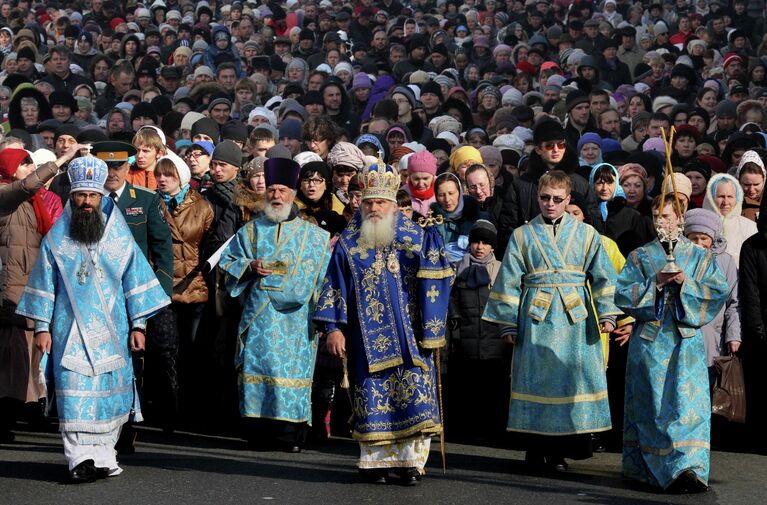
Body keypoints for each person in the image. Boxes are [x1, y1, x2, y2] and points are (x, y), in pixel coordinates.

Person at [16, 156, 170, 482]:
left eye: (93, 196)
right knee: (74, 397)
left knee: (109, 399)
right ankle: (78, 460)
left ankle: (103, 458)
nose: (87, 202)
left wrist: (139, 325)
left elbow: (136, 279)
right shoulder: (56, 240)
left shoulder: (119, 236)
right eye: (81, 196)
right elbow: (44, 284)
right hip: (68, 331)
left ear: (101, 197)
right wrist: (42, 327)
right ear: (72, 196)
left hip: (113, 331)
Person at [314, 159, 452, 485]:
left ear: (393, 204)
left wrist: (432, 329)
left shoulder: (418, 239)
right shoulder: (348, 243)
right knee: (372, 396)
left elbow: (437, 281)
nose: (375, 207)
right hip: (364, 340)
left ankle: (410, 464)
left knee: (413, 397)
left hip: (410, 338)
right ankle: (376, 464)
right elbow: (334, 285)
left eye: (381, 202)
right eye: (369, 202)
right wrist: (333, 328)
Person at [482, 170, 620, 472]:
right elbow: (507, 282)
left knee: (570, 382)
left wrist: (608, 312)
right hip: (536, 319)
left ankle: (561, 451)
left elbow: (605, 276)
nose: (551, 204)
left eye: (558, 199)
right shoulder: (522, 235)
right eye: (545, 198)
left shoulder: (587, 234)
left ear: (568, 199)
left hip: (576, 322)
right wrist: (507, 322)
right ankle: (535, 449)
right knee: (537, 383)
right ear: (538, 197)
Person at [616, 196, 729, 493]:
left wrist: (684, 284)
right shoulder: (640, 256)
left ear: (680, 219)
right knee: (652, 406)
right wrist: (654, 283)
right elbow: (622, 295)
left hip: (686, 342)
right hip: (650, 343)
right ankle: (653, 469)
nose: (661, 223)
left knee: (686, 406)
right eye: (656, 216)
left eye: (666, 216)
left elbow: (717, 292)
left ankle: (688, 468)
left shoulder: (701, 257)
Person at [219, 157, 331, 453]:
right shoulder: (251, 231)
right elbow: (227, 262)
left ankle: (289, 436)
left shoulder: (316, 237)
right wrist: (249, 265)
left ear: (294, 193)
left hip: (297, 321)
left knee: (291, 376)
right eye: (272, 190)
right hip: (260, 317)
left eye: (283, 190)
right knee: (259, 370)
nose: (276, 196)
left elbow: (323, 281)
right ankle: (258, 434)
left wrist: (325, 321)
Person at [447, 220, 507, 443]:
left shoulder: (502, 269)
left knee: (492, 390)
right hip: (466, 341)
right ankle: (466, 431)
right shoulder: (458, 267)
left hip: (494, 342)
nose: (480, 247)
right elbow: (450, 298)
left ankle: (493, 431)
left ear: (493, 246)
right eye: (475, 242)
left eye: (485, 243)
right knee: (467, 389)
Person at [702, 173, 758, 266]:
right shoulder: (699, 226)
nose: (725, 202)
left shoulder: (750, 228)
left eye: (730, 197)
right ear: (710, 197)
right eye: (720, 196)